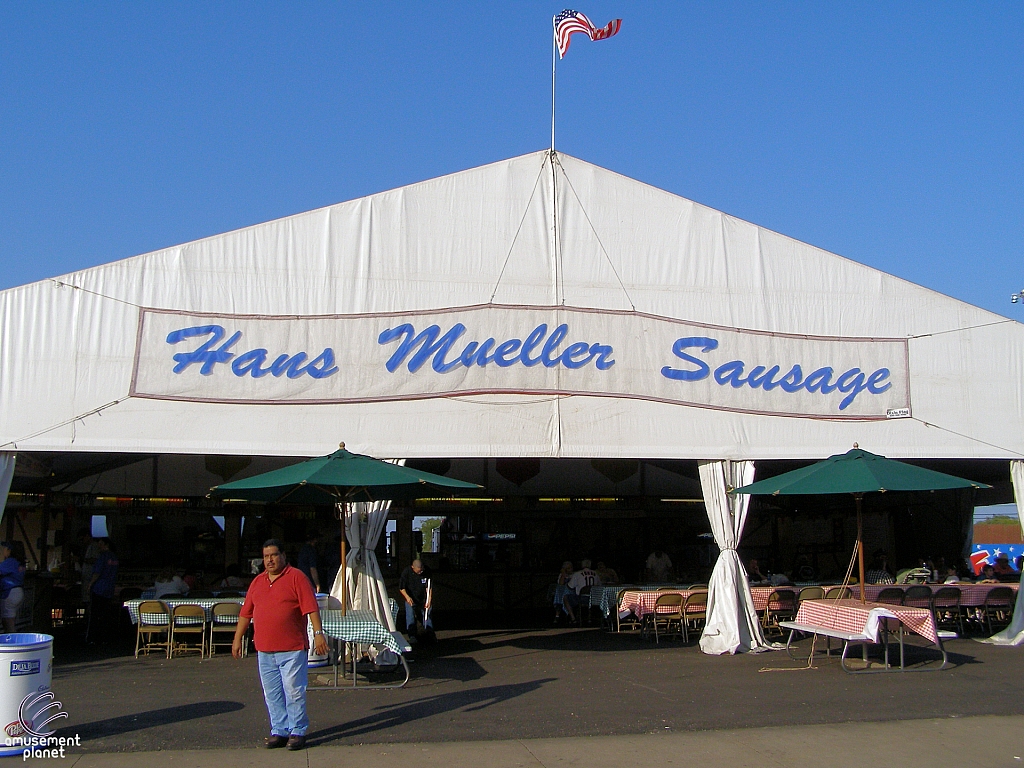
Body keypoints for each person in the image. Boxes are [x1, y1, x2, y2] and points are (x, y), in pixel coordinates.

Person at [233, 539, 328, 752]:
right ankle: (279, 730)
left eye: (274, 555)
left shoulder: (296, 577)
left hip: (292, 648)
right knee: (272, 693)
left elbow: (311, 607)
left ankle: (297, 731)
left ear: (283, 555)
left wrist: (319, 634)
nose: (270, 560)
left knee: (294, 691)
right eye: (266, 556)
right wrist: (238, 638)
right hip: (265, 649)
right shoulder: (257, 582)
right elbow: (246, 612)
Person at [86, 538, 118, 644]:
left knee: (95, 614)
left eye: (100, 544)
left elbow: (97, 572)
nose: (98, 546)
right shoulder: (114, 557)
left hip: (99, 588)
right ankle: (104, 637)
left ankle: (92, 638)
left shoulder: (102, 556)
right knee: (105, 613)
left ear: (106, 545)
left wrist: (90, 584)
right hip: (109, 588)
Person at [399, 559, 432, 637]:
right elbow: (401, 588)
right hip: (410, 597)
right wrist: (407, 597)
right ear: (413, 567)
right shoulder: (407, 572)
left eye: (421, 571)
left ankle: (429, 634)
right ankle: (412, 635)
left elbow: (429, 586)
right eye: (418, 571)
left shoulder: (427, 571)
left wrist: (429, 599)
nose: (420, 573)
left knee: (427, 615)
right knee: (410, 617)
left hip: (423, 598)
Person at [562, 559, 601, 624]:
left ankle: (573, 618)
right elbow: (600, 586)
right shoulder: (596, 574)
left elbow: (569, 587)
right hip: (594, 598)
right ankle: (590, 617)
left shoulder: (577, 574)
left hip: (582, 598)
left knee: (565, 597)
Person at [0, 542, 26, 633]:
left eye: (5, 548)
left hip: (10, 593)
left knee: (8, 624)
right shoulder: (20, 562)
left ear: (9, 550)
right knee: (9, 621)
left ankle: (12, 645)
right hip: (18, 592)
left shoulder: (10, 562)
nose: (3, 550)